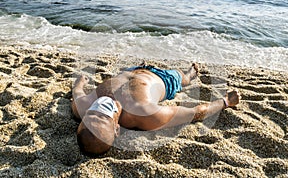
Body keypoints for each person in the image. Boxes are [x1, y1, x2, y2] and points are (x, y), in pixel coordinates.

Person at [72, 63, 240, 154]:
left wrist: (80, 83)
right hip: (162, 78)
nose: (101, 107)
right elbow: (195, 113)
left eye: (91, 114)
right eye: (104, 116)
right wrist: (225, 102)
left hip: (130, 70)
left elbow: (77, 92)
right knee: (183, 79)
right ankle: (190, 74)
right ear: (117, 129)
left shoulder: (82, 106)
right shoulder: (143, 114)